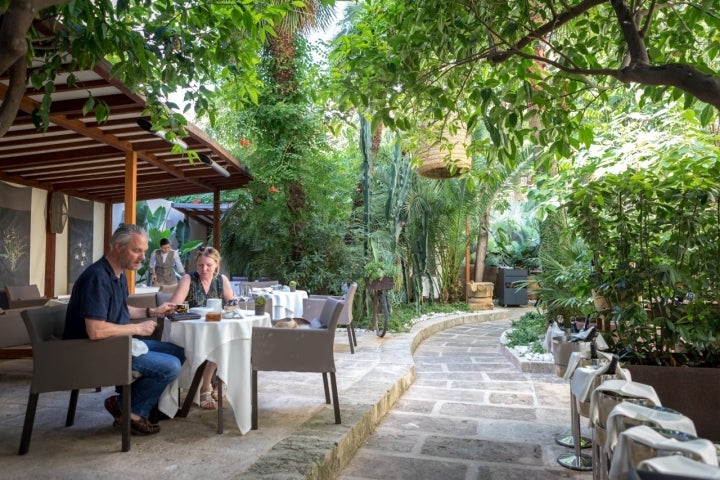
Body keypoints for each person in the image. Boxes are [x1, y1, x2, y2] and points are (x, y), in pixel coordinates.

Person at [63, 224, 185, 436]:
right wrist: (137, 327)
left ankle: (128, 403)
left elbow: (122, 309)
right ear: (118, 248)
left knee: (178, 352)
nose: (143, 257)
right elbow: (95, 330)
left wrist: (153, 311)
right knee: (171, 366)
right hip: (93, 352)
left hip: (114, 345)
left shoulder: (117, 274)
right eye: (136, 250)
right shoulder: (97, 278)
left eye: (144, 251)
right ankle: (131, 410)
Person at [169, 245, 235, 409]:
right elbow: (174, 306)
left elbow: (232, 304)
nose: (204, 269)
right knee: (216, 341)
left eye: (209, 265)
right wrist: (194, 311)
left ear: (217, 265)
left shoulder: (221, 280)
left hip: (213, 328)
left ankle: (218, 381)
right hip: (192, 331)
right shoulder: (188, 279)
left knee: (226, 339)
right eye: (200, 265)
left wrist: (230, 305)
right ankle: (206, 386)